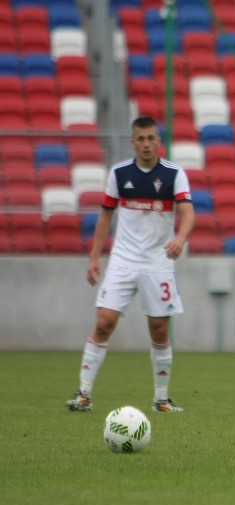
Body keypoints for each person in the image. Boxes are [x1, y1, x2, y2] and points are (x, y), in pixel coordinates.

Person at [66, 115, 195, 413]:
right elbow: (106, 216)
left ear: (158, 141)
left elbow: (188, 213)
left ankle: (161, 399)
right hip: (123, 260)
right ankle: (83, 394)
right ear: (133, 142)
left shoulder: (174, 174)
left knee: (159, 330)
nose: (147, 144)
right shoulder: (119, 173)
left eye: (152, 138)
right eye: (141, 139)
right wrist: (94, 256)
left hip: (157, 261)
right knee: (103, 322)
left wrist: (180, 238)